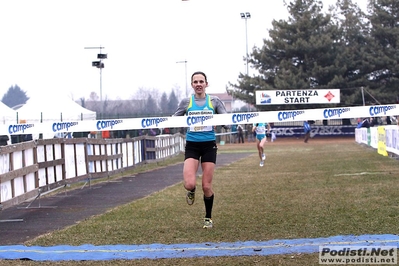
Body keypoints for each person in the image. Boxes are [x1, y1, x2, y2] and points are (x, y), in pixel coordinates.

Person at [173, 71, 229, 229]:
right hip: (192, 144)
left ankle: (208, 217)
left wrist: (222, 121)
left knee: (206, 186)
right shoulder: (186, 102)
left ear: (206, 84)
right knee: (189, 184)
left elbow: (226, 121)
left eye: (201, 81)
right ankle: (191, 191)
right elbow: (174, 119)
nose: (198, 84)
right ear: (192, 85)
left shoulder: (214, 101)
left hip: (209, 145)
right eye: (195, 82)